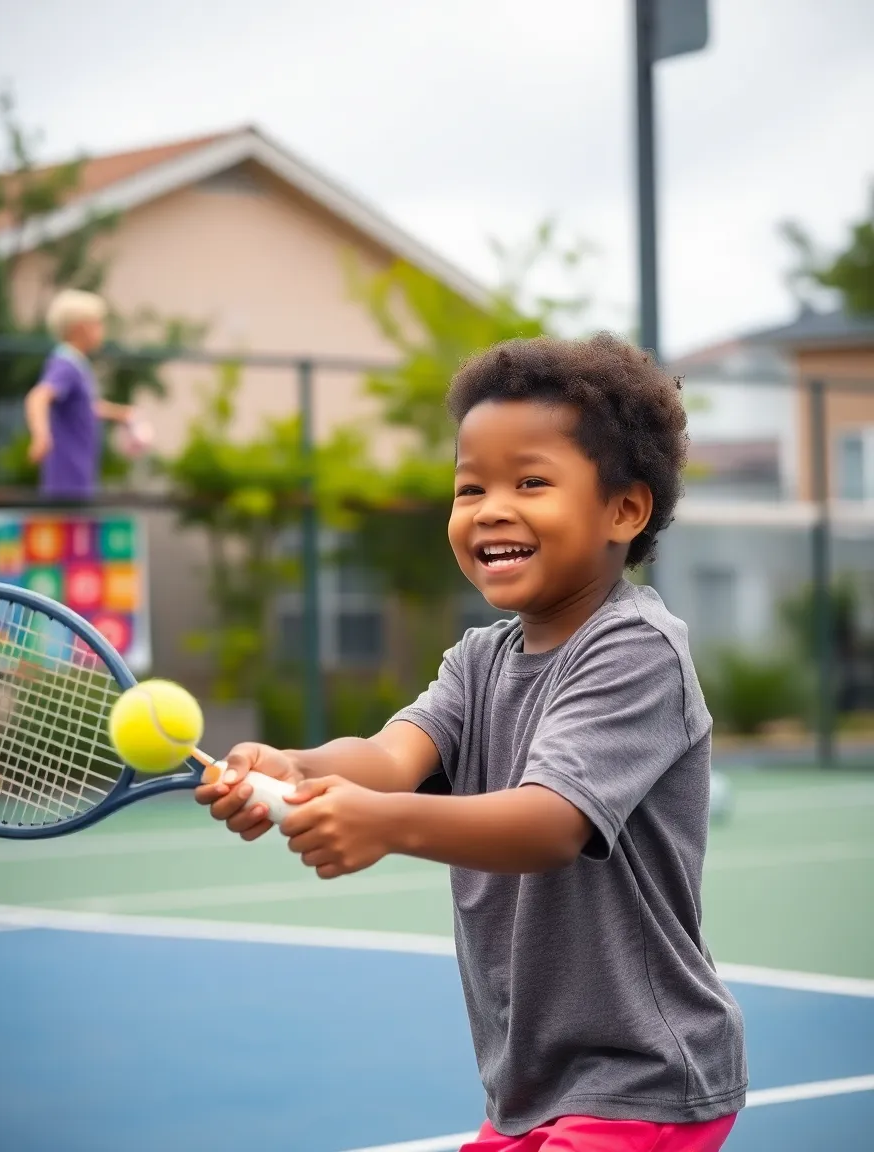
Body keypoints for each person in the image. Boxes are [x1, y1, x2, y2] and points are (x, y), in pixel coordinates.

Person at [195, 334, 747, 1151]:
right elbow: (391, 756)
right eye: (470, 487)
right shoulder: (478, 659)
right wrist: (296, 766)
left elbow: (549, 822)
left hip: (641, 1078)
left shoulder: (636, 650)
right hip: (528, 1083)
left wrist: (385, 824)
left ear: (623, 510)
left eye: (531, 481)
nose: (490, 507)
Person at [24, 289, 136, 497]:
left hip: (80, 471)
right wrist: (41, 435)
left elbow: (86, 407)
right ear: (79, 328)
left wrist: (121, 413)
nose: (102, 329)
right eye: (97, 323)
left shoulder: (77, 364)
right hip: (67, 474)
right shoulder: (65, 364)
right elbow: (38, 397)